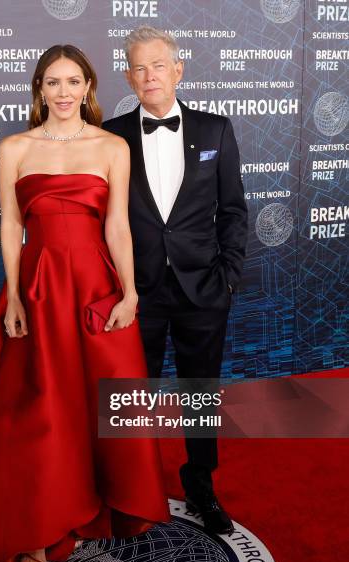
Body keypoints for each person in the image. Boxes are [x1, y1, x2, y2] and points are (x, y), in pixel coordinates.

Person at [0, 44, 170, 562]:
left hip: (97, 288)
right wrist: (16, 298)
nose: (65, 92)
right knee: (34, 411)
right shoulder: (15, 148)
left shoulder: (112, 147)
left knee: (102, 402)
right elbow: (11, 226)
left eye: (74, 81)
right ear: (39, 90)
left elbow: (118, 227)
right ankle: (32, 530)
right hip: (39, 288)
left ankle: (94, 502)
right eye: (53, 82)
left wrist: (130, 294)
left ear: (89, 87)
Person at [103, 26, 248, 535]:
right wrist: (115, 287)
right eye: (139, 68)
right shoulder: (111, 133)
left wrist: (228, 276)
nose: (150, 76)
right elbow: (100, 219)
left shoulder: (215, 130)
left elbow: (233, 210)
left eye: (158, 65)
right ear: (128, 75)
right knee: (128, 398)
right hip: (134, 294)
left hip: (202, 290)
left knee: (199, 393)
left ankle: (201, 486)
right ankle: (126, 491)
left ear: (178, 70)